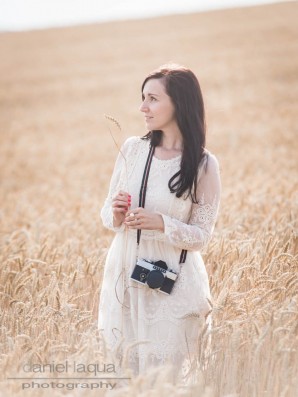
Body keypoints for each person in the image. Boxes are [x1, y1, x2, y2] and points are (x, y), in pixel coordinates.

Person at [98, 63, 221, 384]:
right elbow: (107, 215)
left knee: (168, 382)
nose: (143, 107)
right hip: (125, 278)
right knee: (126, 376)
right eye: (142, 98)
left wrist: (161, 223)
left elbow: (201, 237)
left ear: (179, 103)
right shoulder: (133, 149)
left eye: (152, 98)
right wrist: (116, 211)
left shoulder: (204, 164)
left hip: (173, 284)